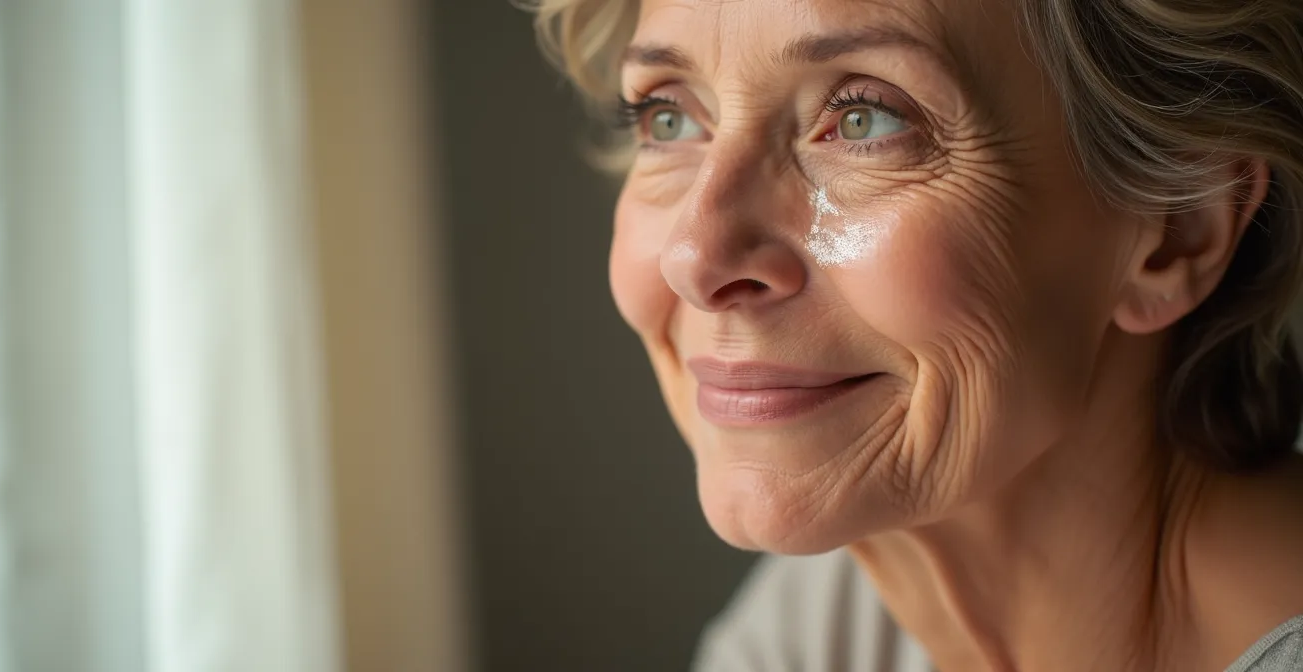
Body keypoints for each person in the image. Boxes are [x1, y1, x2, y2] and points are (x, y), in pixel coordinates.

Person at [526, 0, 1303, 669]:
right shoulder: (827, 621)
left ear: (1180, 228)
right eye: (669, 116)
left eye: (864, 116)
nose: (694, 257)